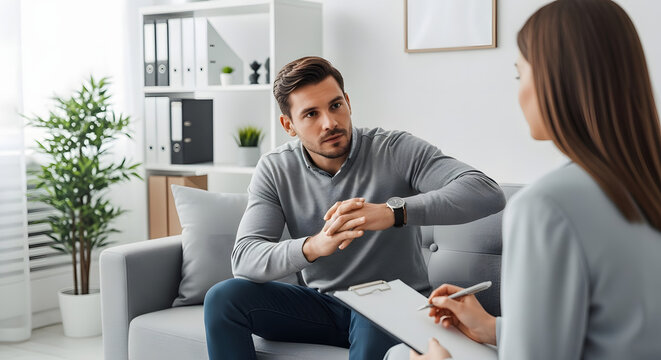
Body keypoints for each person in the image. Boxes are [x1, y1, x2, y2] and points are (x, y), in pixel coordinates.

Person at [385, 0, 661, 359]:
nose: (518, 93)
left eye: (520, 74)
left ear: (555, 80)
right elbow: (614, 331)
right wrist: (492, 328)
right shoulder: (645, 184)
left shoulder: (547, 206)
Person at [202, 56, 506, 360]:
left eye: (335, 105)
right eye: (311, 114)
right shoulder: (275, 169)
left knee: (375, 315)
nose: (330, 123)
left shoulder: (394, 148)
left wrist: (393, 213)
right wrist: (314, 246)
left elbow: (484, 191)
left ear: (348, 102)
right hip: (323, 305)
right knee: (223, 298)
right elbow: (244, 257)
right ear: (288, 125)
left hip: (395, 302)